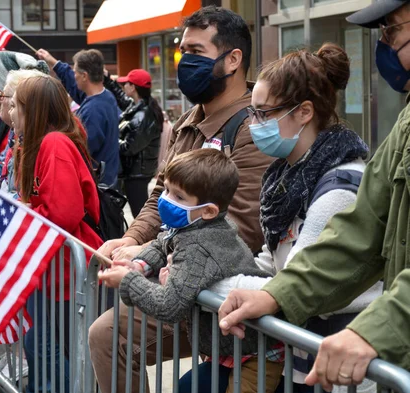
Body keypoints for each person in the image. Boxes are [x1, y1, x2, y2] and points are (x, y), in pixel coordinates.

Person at [218, 1, 410, 393]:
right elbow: (361, 233)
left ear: (304, 112)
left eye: (392, 30)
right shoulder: (405, 122)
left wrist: (375, 330)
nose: (385, 45)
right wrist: (276, 294)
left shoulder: (336, 181)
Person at [178, 43, 381, 393]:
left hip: (338, 364)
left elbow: (294, 283)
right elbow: (269, 264)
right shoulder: (286, 176)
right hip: (303, 353)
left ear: (304, 112)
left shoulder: (338, 188)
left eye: (262, 114)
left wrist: (195, 279)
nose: (253, 124)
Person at [91, 149, 274, 393]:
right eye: (166, 189)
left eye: (179, 196)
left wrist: (129, 281)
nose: (165, 199)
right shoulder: (195, 225)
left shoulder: (199, 248)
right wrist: (139, 265)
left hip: (255, 354)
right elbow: (163, 242)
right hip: (225, 346)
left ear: (209, 210)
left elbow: (169, 305)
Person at [98, 5, 272, 262]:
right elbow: (160, 195)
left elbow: (243, 227)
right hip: (171, 271)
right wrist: (131, 239)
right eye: (184, 51)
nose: (186, 61)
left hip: (216, 288)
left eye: (197, 52)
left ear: (233, 59)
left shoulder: (254, 129)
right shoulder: (187, 122)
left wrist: (154, 252)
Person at [8, 75, 104, 393]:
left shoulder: (54, 143)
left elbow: (64, 213)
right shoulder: (39, 143)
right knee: (45, 346)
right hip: (55, 270)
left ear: (33, 111)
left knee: (58, 350)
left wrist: (21, 216)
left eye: (16, 105)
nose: (10, 112)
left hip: (68, 274)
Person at [36, 48, 120, 187]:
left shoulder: (93, 111)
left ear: (84, 76)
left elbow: (81, 150)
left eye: (75, 72)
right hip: (107, 180)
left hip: (97, 185)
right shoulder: (105, 97)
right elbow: (75, 88)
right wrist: (54, 63)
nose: (73, 75)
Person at [103, 69, 163, 217]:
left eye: (126, 84)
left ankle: (146, 239)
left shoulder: (143, 117)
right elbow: (121, 97)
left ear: (133, 87)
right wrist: (107, 80)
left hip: (137, 174)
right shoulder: (139, 106)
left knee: (141, 214)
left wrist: (111, 137)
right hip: (136, 171)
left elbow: (129, 148)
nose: (124, 87)